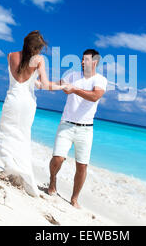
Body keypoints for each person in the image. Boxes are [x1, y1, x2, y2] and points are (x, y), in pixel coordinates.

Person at [0, 31, 66, 198]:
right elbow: (44, 85)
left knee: (6, 133)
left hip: (12, 100)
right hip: (27, 103)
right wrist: (61, 86)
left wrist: (55, 84)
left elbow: (23, 81)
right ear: (36, 49)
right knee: (23, 137)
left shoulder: (11, 55)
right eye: (40, 49)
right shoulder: (38, 60)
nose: (40, 53)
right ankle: (22, 172)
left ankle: (10, 166)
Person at [48, 49, 107, 208]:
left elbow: (95, 96)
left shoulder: (100, 79)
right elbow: (56, 85)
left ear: (94, 62)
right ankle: (52, 181)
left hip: (86, 130)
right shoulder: (72, 75)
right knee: (58, 158)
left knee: (82, 166)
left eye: (85, 60)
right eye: (81, 59)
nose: (82, 62)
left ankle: (74, 198)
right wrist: (39, 81)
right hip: (66, 124)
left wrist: (74, 90)